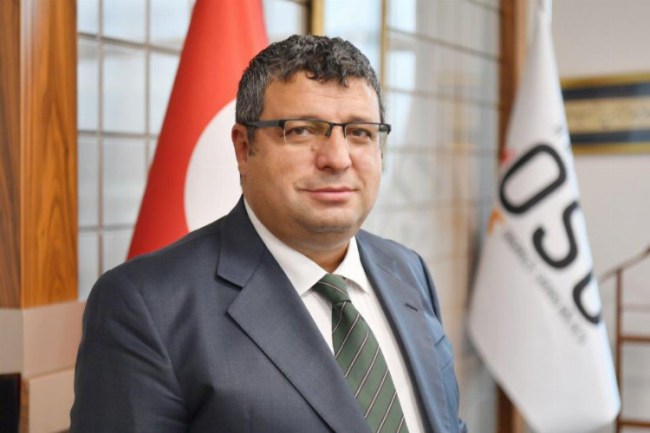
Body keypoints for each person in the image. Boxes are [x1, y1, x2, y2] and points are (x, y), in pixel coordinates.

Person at [70, 34, 466, 433]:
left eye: (360, 132)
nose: (337, 158)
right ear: (245, 148)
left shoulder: (408, 270)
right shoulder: (147, 307)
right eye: (302, 130)